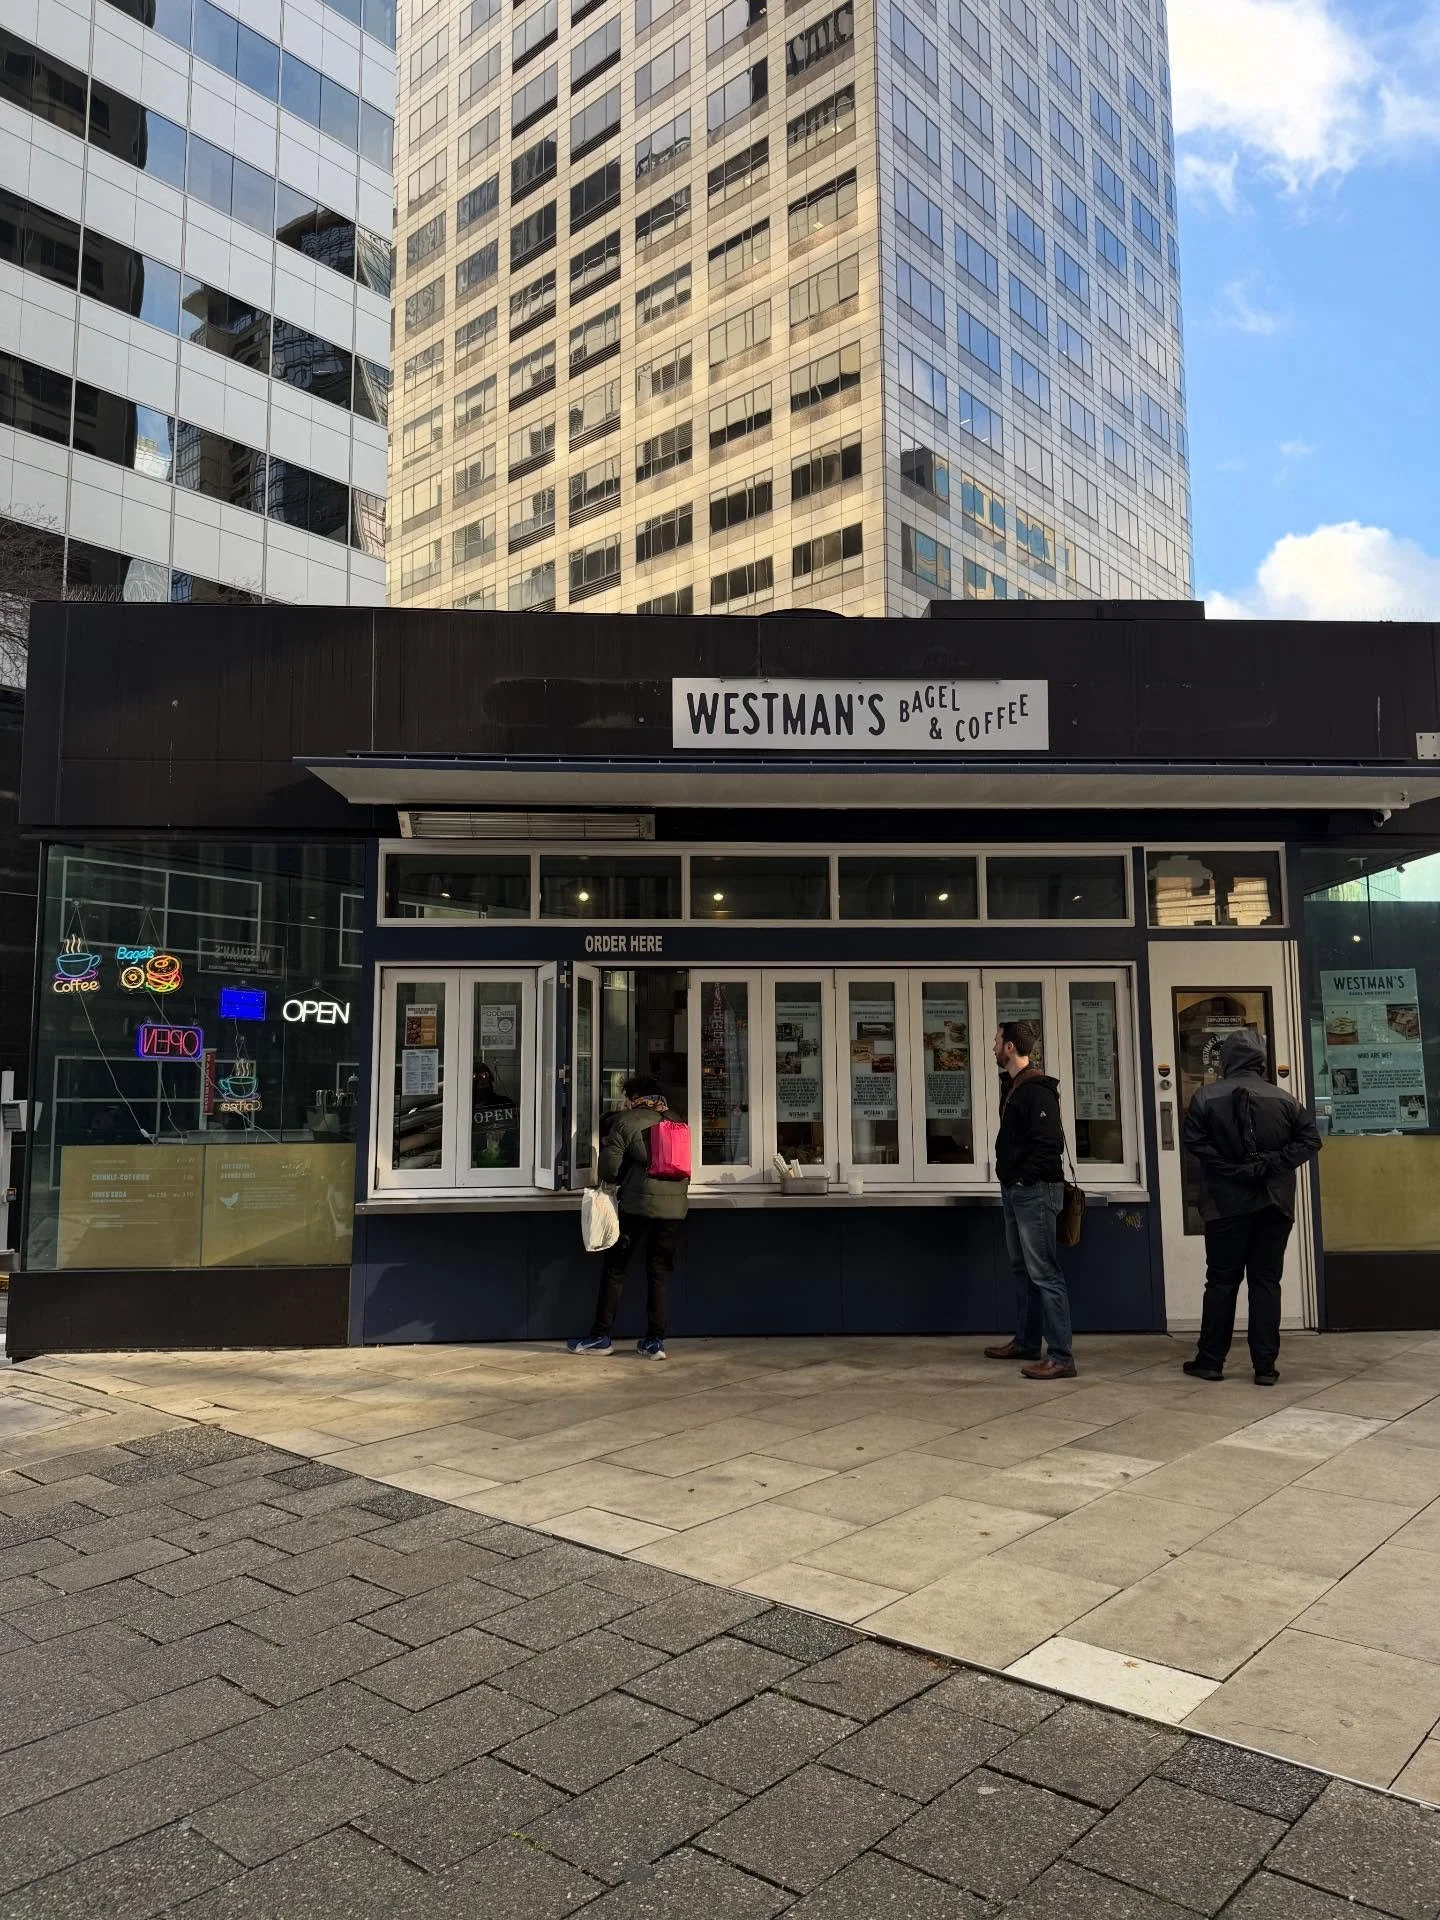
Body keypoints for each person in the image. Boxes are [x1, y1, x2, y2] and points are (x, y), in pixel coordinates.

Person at [1181, 1029, 1322, 1386]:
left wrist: (1233, 1170)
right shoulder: (1286, 1099)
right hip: (1273, 1204)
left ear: (1226, 1059)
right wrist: (1271, 1165)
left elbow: (1194, 1142)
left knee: (1221, 1281)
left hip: (1225, 1205)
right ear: (1261, 1060)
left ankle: (1211, 1361)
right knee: (1265, 1282)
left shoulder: (1205, 1097)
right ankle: (1265, 1367)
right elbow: (1310, 1140)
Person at [567, 1075, 688, 1359]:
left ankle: (601, 1336)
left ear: (634, 1097)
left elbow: (609, 1168)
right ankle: (654, 1341)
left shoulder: (627, 1120)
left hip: (637, 1208)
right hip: (674, 1211)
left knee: (616, 1269)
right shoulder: (676, 1120)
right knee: (658, 1273)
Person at [983, 1020, 1076, 1380]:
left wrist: (1021, 1179)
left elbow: (1048, 1145)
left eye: (996, 1040)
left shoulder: (1036, 1090)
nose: (993, 1046)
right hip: (1018, 1190)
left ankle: (1061, 1356)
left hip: (1034, 1192)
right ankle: (1025, 1341)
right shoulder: (1016, 1087)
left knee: (1045, 1273)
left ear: (1009, 1047)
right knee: (1023, 1270)